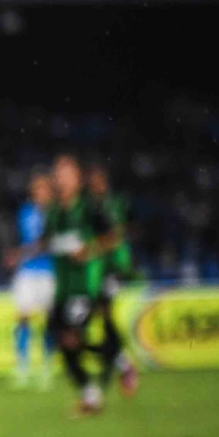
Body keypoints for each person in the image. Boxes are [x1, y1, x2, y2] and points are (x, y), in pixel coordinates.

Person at [45, 154, 120, 416]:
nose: (61, 178)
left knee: (71, 337)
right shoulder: (53, 211)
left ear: (78, 178)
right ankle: (108, 371)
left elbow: (113, 237)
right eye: (58, 173)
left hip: (84, 287)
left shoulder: (89, 207)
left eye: (66, 173)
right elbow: (47, 242)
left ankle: (105, 377)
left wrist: (88, 250)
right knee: (60, 341)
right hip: (61, 289)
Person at [86, 162, 139, 399]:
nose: (96, 185)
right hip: (97, 268)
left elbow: (119, 234)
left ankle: (121, 366)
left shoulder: (114, 204)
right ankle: (122, 364)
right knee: (102, 317)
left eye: (99, 181)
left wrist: (103, 247)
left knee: (104, 314)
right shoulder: (92, 206)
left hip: (111, 267)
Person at [6, 170, 56, 390]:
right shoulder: (25, 212)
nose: (40, 193)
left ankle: (47, 366)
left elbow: (46, 243)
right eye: (37, 189)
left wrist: (20, 252)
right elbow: (26, 238)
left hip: (48, 271)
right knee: (22, 318)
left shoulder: (55, 213)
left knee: (47, 320)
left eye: (44, 188)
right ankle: (22, 366)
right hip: (27, 271)